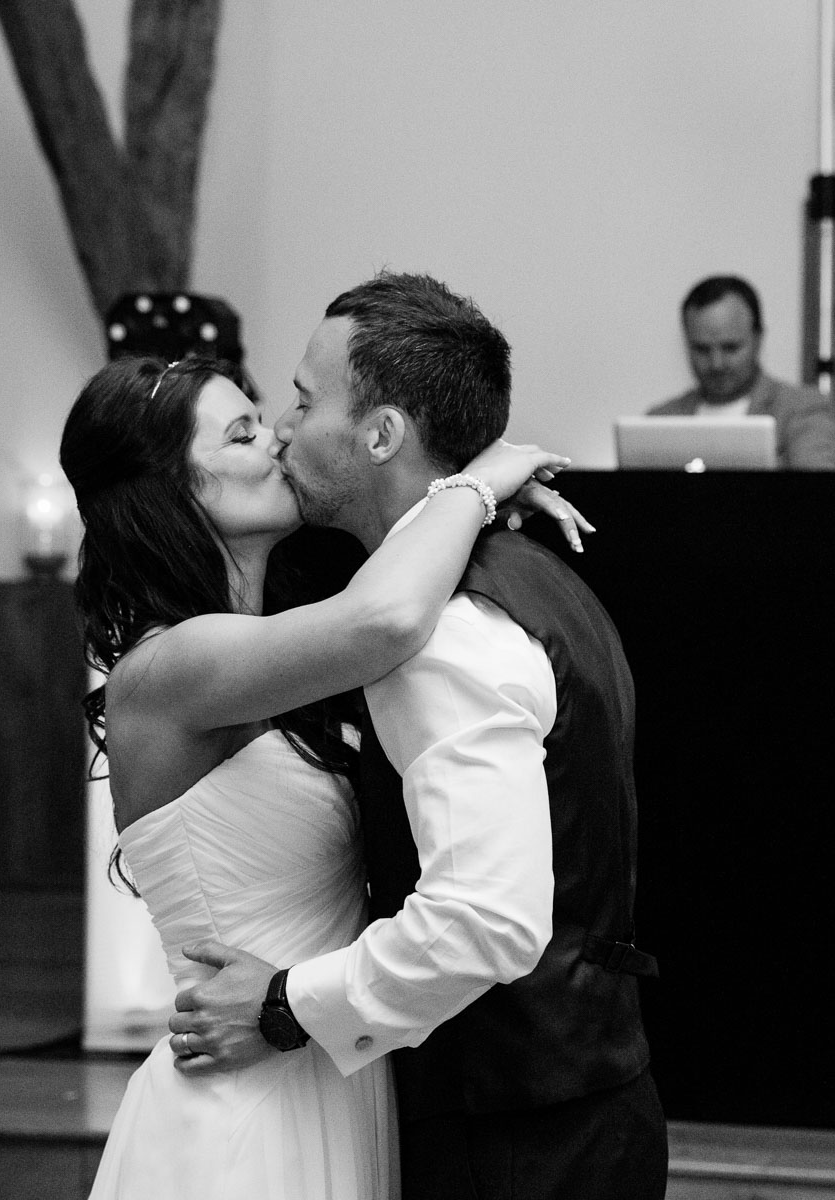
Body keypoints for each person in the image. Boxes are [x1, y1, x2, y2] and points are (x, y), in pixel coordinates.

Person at [170, 273, 669, 1199]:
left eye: (304, 400)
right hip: (576, 1103)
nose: (284, 428)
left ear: (381, 435)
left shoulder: (442, 631)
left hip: (512, 1140)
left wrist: (282, 1006)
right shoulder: (519, 570)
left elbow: (483, 922)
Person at [64, 351, 584, 1199]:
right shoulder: (169, 669)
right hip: (242, 1106)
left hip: (324, 1062)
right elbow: (388, 618)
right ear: (172, 492)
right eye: (242, 433)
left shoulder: (283, 635)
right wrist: (476, 484)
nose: (277, 437)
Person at [649, 274, 835, 470]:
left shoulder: (803, 411)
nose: (716, 363)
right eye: (702, 349)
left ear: (758, 339)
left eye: (730, 348)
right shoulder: (660, 422)